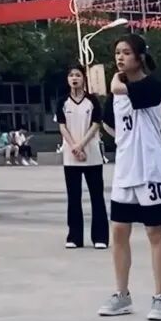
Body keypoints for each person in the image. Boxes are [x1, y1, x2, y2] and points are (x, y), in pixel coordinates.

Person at [98, 34, 161, 321]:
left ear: (140, 57)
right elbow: (109, 123)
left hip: (151, 170)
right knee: (119, 232)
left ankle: (160, 297)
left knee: (155, 233)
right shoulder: (116, 93)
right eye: (117, 52)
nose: (120, 57)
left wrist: (114, 82)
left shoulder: (151, 86)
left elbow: (121, 88)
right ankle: (122, 294)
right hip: (125, 171)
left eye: (126, 52)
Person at [56, 66, 108, 250]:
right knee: (73, 197)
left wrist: (81, 145)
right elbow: (62, 126)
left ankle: (100, 237)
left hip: (91, 154)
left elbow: (96, 124)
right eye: (71, 75)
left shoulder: (92, 101)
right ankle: (74, 237)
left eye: (78, 75)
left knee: (97, 196)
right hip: (71, 157)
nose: (74, 78)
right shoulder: (62, 102)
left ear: (84, 79)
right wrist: (74, 146)